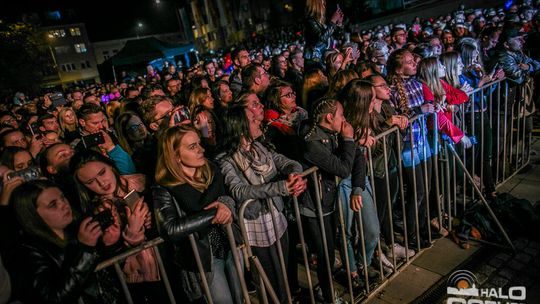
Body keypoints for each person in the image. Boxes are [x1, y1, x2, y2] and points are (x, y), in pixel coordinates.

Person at [217, 105, 307, 304]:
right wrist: (280, 187)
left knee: (283, 272)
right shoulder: (226, 160)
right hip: (254, 225)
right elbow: (240, 191)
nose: (259, 119)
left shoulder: (260, 147)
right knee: (268, 280)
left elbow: (285, 162)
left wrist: (295, 173)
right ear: (240, 128)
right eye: (252, 119)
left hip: (276, 216)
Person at [153, 125, 243, 303]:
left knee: (239, 297)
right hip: (203, 257)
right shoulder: (164, 188)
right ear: (175, 156)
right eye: (192, 146)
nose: (201, 149)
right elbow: (170, 229)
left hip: (228, 243)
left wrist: (226, 205)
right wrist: (212, 213)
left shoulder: (211, 169)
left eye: (199, 144)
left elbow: (229, 199)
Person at [70, 150, 167, 303]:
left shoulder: (140, 184)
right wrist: (132, 232)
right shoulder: (95, 212)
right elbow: (109, 259)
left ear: (110, 165)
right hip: (138, 282)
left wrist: (151, 220)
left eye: (102, 172)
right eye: (90, 182)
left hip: (167, 264)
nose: (102, 183)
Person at [7, 180, 122, 303]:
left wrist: (110, 244)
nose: (64, 204)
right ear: (33, 215)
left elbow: (103, 274)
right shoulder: (27, 253)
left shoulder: (76, 228)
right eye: (53, 204)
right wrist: (85, 250)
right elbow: (52, 298)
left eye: (62, 197)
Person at [300, 97, 355, 303]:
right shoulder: (313, 143)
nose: (344, 119)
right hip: (315, 206)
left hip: (326, 201)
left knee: (329, 251)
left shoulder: (328, 133)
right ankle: (326, 293)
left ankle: (327, 286)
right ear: (330, 117)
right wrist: (348, 139)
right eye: (341, 115)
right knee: (325, 255)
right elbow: (343, 169)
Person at [303, 0, 343, 68]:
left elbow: (333, 37)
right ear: (316, 5)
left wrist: (338, 23)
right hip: (314, 60)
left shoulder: (321, 23)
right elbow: (321, 38)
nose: (324, 4)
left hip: (322, 58)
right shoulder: (310, 21)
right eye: (322, 2)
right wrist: (332, 22)